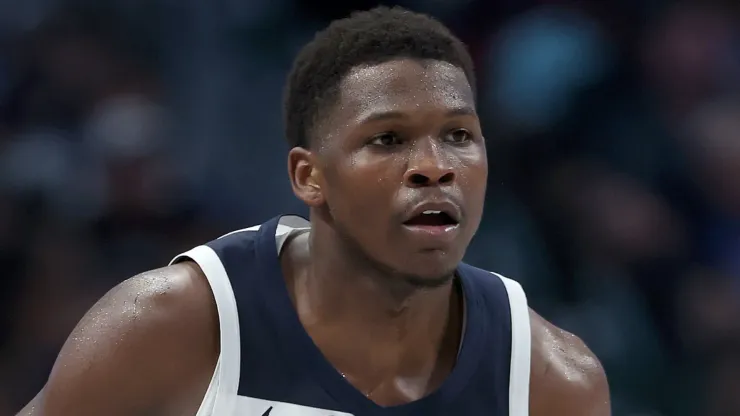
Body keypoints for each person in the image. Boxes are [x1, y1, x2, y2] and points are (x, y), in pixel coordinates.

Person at [18, 6, 610, 416]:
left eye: (458, 135)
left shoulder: (551, 382)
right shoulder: (172, 325)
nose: (434, 166)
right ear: (310, 176)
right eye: (388, 139)